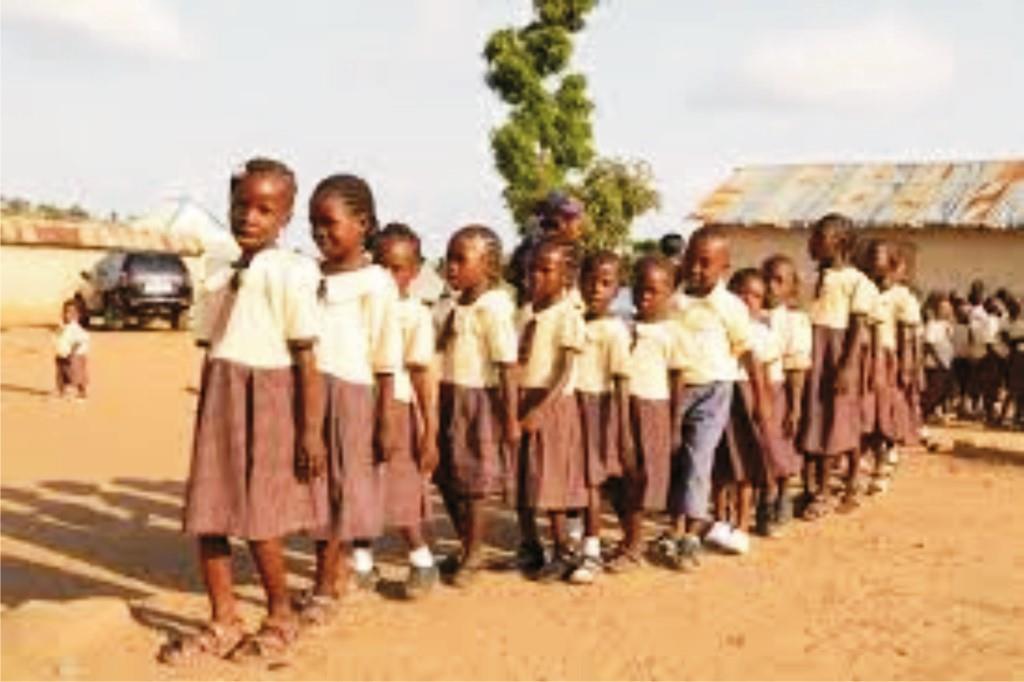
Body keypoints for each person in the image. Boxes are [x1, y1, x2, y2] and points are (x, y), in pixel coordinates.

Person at [164, 158, 325, 663]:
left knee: (260, 517)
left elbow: (305, 357)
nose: (249, 217)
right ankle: (223, 619)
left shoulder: (293, 271)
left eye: (264, 209)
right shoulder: (217, 268)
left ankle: (280, 615)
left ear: (285, 217)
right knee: (209, 512)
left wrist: (310, 431)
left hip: (270, 396)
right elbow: (209, 340)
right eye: (241, 206)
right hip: (224, 392)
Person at [301, 174, 402, 625]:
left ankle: (326, 582)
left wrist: (385, 418)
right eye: (312, 224)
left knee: (341, 489)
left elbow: (386, 357)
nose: (320, 233)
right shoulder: (308, 276)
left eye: (329, 222)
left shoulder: (376, 282)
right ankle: (333, 572)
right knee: (315, 485)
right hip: (310, 392)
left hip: (352, 397)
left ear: (362, 223)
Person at [661, 226, 763, 571]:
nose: (695, 269)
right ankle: (673, 527)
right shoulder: (672, 301)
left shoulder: (730, 306)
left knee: (699, 459)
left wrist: (760, 398)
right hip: (674, 391)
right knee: (673, 459)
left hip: (715, 391)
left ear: (724, 268)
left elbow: (748, 353)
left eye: (706, 264)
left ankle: (688, 534)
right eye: (691, 260)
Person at [435, 225, 520, 586]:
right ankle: (468, 545)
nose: (450, 267)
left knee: (474, 481)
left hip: (479, 399)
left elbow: (506, 365)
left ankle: (474, 550)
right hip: (451, 394)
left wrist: (510, 416)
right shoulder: (455, 305)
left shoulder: (494, 307)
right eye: (448, 259)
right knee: (449, 477)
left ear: (488, 266)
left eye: (460, 259)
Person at [515, 238, 588, 582]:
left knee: (552, 479)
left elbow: (565, 370)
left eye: (546, 271)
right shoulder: (525, 314)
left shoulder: (568, 316)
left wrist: (542, 408)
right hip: (525, 398)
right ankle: (530, 546)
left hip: (553, 404)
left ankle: (564, 550)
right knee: (523, 479)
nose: (536, 277)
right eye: (532, 270)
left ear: (566, 276)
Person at [374, 223, 441, 597]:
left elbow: (421, 374)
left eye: (397, 268)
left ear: (414, 272)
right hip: (359, 402)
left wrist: (429, 430)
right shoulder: (364, 306)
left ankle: (421, 560)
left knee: (401, 486)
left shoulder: (414, 313)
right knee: (358, 486)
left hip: (397, 407)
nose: (388, 276)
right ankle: (362, 565)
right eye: (381, 265)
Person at [799, 213, 877, 519]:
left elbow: (857, 328)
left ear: (841, 243)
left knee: (838, 421)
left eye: (820, 238)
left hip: (837, 355)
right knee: (816, 420)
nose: (812, 243)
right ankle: (816, 487)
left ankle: (829, 489)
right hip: (813, 353)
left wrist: (846, 366)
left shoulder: (858, 282)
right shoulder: (812, 278)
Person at [705, 268, 780, 555]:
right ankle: (719, 519)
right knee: (718, 465)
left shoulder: (761, 333)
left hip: (745, 399)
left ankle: (742, 524)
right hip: (720, 394)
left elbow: (763, 371)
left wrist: (763, 402)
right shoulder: (719, 325)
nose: (748, 300)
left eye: (757, 296)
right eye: (742, 293)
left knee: (744, 466)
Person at [569, 250, 632, 583]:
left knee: (591, 482)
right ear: (579, 282)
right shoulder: (572, 320)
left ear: (618, 289)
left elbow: (622, 379)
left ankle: (592, 550)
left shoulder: (614, 331)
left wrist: (621, 428)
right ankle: (574, 539)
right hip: (569, 406)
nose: (596, 289)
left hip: (597, 408)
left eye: (606, 283)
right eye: (590, 281)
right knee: (574, 477)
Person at [627, 256, 692, 567]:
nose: (643, 297)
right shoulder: (623, 326)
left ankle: (635, 542)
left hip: (653, 409)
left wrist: (674, 422)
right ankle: (631, 539)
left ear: (669, 292)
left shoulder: (673, 332)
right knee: (624, 476)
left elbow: (677, 380)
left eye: (652, 291)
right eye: (638, 289)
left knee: (643, 477)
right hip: (623, 408)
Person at [761, 255, 811, 533]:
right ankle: (764, 498)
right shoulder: (750, 315)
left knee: (780, 445)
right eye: (767, 278)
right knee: (760, 446)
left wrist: (795, 405)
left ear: (792, 288)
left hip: (779, 388)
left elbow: (796, 367)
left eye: (779, 281)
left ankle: (781, 496)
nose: (771, 286)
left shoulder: (794, 321)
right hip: (752, 389)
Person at [921, 294, 955, 421]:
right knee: (932, 392)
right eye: (943, 308)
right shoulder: (933, 325)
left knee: (943, 391)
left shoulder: (946, 325)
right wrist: (939, 360)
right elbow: (929, 344)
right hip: (935, 364)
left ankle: (932, 413)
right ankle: (922, 415)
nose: (947, 311)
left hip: (946, 362)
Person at [54, 298, 90, 400]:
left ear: (78, 315)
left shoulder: (76, 328)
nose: (68, 315)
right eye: (66, 312)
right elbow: (59, 337)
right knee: (62, 373)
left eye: (72, 313)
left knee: (77, 374)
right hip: (62, 353)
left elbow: (81, 340)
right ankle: (62, 391)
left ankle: (82, 392)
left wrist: (72, 351)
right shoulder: (64, 326)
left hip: (75, 355)